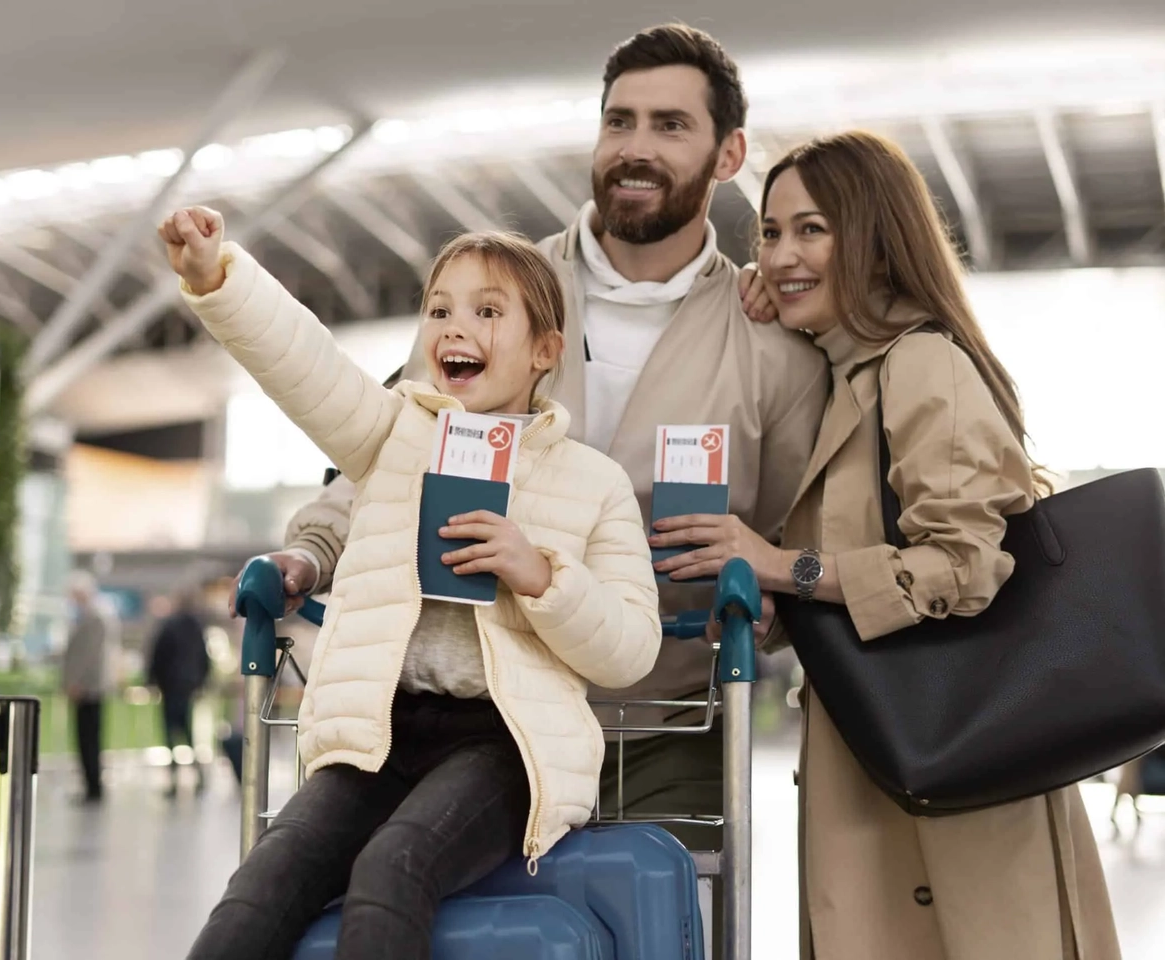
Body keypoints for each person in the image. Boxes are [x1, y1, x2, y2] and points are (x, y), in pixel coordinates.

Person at [228, 22, 829, 850]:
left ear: (730, 156)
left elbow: (802, 537)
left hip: (667, 729)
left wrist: (768, 593)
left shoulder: (773, 347)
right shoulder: (490, 295)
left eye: (671, 125)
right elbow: (392, 450)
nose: (636, 148)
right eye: (619, 121)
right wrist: (313, 550)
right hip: (478, 721)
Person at [159, 205, 662, 960]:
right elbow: (307, 365)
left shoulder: (594, 483)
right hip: (379, 732)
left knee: (394, 868)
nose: (456, 327)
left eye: (488, 311)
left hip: (503, 745)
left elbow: (630, 649)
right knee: (262, 885)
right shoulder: (395, 436)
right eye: (440, 309)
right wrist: (217, 276)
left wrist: (540, 575)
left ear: (545, 350)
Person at [681, 130, 1119, 959]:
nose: (780, 256)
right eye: (770, 233)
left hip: (957, 773)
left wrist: (782, 563)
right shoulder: (850, 377)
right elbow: (852, 566)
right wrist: (773, 606)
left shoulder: (921, 364)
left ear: (877, 236)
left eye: (812, 229)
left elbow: (960, 567)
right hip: (886, 756)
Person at [146, 586, 212, 797]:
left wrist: (152, 680)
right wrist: (201, 681)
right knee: (187, 731)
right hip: (188, 685)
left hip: (170, 685)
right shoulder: (196, 626)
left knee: (170, 732)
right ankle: (197, 775)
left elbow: (158, 655)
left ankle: (174, 779)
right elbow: (204, 657)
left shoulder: (169, 625)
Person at [60, 571, 118, 805]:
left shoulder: (95, 617)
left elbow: (88, 655)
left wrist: (76, 681)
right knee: (86, 739)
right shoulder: (93, 615)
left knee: (89, 738)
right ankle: (90, 784)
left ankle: (93, 787)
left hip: (90, 688)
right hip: (88, 687)